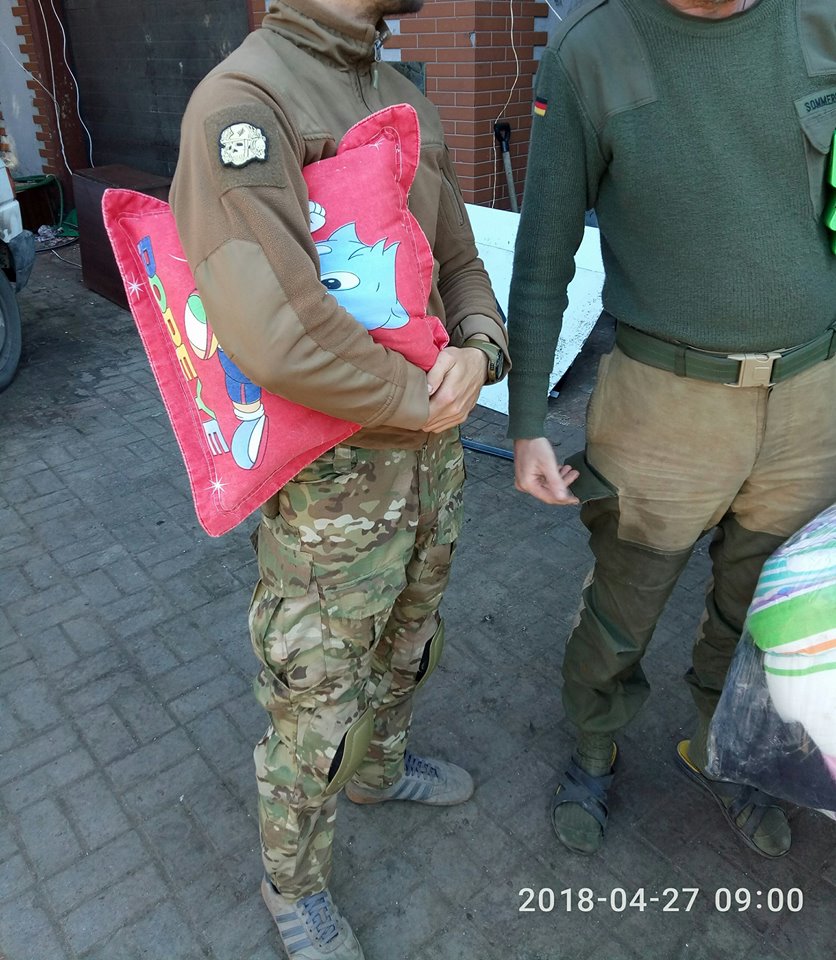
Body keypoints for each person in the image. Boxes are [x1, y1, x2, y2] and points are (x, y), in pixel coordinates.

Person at [170, 2, 508, 958]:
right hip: (336, 485)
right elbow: (274, 328)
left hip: (432, 459)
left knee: (409, 642)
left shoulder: (402, 93)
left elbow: (457, 257)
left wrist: (481, 345)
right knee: (316, 698)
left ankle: (381, 771)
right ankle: (293, 884)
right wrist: (415, 398)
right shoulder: (245, 102)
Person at [507, 0, 836, 859]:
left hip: (811, 400)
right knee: (624, 604)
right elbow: (542, 250)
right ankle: (593, 747)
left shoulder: (820, 23)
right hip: (662, 405)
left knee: (762, 609)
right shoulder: (591, 51)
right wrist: (528, 419)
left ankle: (722, 751)